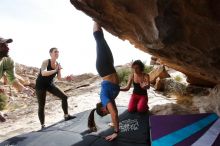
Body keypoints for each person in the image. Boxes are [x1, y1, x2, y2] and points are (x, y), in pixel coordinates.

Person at [88, 22, 120, 141]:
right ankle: (99, 21)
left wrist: (116, 132)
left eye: (106, 112)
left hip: (103, 68)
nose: (109, 111)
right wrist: (114, 123)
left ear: (103, 109)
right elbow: (115, 113)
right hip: (109, 67)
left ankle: (95, 18)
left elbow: (114, 114)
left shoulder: (104, 98)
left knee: (99, 41)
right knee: (103, 40)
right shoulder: (109, 99)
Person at [35, 47, 75, 129]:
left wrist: (67, 78)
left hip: (50, 84)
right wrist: (55, 70)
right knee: (41, 105)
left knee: (64, 97)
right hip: (40, 85)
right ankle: (43, 125)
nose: (57, 53)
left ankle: (66, 115)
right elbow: (43, 73)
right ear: (50, 53)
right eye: (55, 52)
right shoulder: (46, 62)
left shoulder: (58, 65)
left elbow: (59, 78)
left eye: (58, 52)